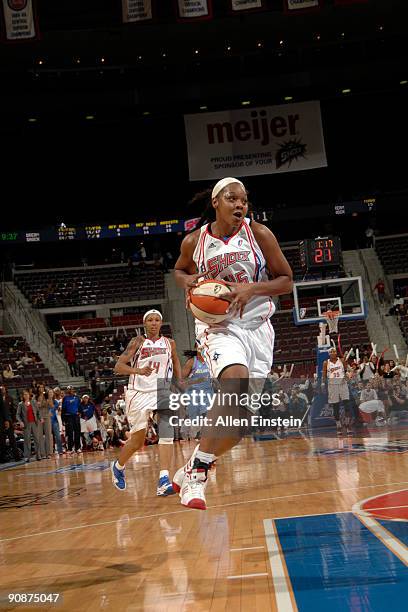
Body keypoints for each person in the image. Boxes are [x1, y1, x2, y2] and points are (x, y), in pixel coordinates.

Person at [173, 177, 293, 509]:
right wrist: (189, 282)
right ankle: (197, 476)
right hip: (219, 326)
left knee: (238, 428)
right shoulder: (195, 241)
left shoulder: (260, 234)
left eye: (244, 200)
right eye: (232, 199)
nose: (240, 205)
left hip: (258, 328)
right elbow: (179, 271)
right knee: (234, 379)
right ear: (215, 202)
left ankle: (192, 462)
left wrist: (251, 289)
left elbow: (286, 280)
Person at [111, 309, 182, 496]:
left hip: (161, 390)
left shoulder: (170, 343)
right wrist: (138, 371)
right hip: (139, 392)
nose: (153, 323)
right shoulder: (137, 342)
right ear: (144, 323)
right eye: (150, 320)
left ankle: (164, 479)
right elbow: (118, 367)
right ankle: (118, 466)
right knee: (137, 441)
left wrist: (180, 382)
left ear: (161, 323)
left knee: (167, 433)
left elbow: (175, 363)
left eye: (157, 320)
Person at [181, 345, 212, 441]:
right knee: (194, 420)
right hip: (193, 395)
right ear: (196, 348)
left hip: (208, 394)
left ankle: (204, 436)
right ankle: (187, 433)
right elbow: (181, 381)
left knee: (208, 414)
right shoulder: (191, 362)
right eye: (200, 347)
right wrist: (197, 381)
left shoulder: (210, 360)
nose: (202, 349)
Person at [322, 347, 352, 434]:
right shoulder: (326, 362)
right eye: (331, 352)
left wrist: (348, 376)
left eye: (334, 351)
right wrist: (323, 384)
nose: (333, 353)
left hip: (342, 383)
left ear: (336, 352)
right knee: (336, 407)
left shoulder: (342, 360)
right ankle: (338, 426)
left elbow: (347, 371)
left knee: (347, 405)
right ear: (329, 354)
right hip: (332, 385)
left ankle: (347, 424)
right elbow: (324, 375)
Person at [16, 390, 42, 462]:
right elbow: (17, 415)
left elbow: (38, 412)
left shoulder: (33, 402)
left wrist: (41, 418)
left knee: (37, 439)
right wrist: (20, 422)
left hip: (34, 423)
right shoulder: (21, 404)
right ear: (23, 396)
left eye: (27, 394)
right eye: (24, 394)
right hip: (26, 424)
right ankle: (27, 456)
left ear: (29, 395)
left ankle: (38, 455)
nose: (26, 396)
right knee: (27, 440)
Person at [61, 386, 82, 454]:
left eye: (71, 389)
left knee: (77, 432)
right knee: (69, 433)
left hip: (76, 417)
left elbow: (80, 407)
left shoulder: (77, 398)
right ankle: (70, 448)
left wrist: (80, 412)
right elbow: (63, 409)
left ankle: (77, 448)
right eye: (69, 389)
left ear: (73, 390)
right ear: (67, 390)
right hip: (68, 417)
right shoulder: (65, 398)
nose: (70, 390)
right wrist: (63, 419)